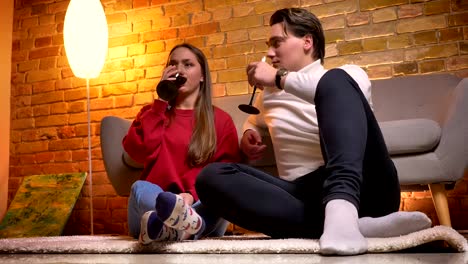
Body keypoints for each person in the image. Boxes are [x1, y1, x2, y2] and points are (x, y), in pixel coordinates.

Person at [196, 8, 432, 255]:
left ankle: (343, 208)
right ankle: (359, 227)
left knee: (334, 80)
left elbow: (327, 90)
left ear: (307, 41)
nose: (269, 52)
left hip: (366, 187)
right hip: (304, 196)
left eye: (277, 43)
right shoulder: (270, 95)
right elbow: (255, 122)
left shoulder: (348, 76)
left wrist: (277, 77)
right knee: (210, 178)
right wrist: (247, 134)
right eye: (269, 45)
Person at [123, 43, 240, 244]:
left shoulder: (221, 121)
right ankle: (189, 227)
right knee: (139, 187)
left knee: (220, 196)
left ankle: (171, 228)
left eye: (188, 64)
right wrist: (160, 102)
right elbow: (137, 151)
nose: (179, 70)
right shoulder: (152, 113)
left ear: (202, 75)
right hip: (153, 206)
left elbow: (224, 176)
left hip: (196, 204)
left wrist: (191, 196)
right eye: (174, 64)